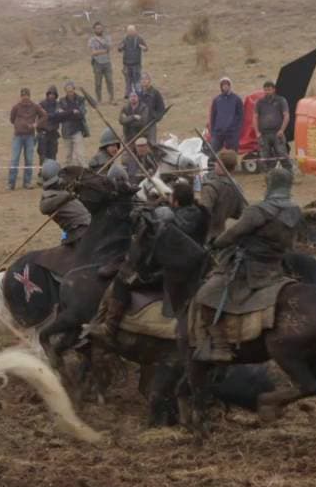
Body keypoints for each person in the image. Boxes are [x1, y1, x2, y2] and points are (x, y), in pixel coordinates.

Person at [192, 167, 301, 360]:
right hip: (276, 265)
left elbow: (233, 234)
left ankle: (220, 346)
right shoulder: (295, 210)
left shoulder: (259, 210)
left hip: (250, 267)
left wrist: (216, 243)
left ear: (270, 185)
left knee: (206, 294)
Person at [94, 180, 204, 342]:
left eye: (172, 197)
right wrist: (164, 203)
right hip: (187, 264)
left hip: (168, 269)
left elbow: (157, 231)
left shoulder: (170, 222)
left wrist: (155, 206)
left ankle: (109, 328)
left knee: (122, 280)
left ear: (177, 201)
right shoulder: (196, 213)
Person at [196, 149, 245, 242]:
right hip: (221, 234)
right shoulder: (237, 187)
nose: (214, 164)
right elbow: (240, 213)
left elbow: (203, 214)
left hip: (206, 236)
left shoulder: (210, 187)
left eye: (217, 162)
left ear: (220, 165)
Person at [39, 160, 90, 244]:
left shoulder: (64, 187)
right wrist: (67, 196)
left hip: (88, 224)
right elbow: (44, 208)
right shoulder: (48, 196)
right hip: (77, 231)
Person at [8, 88, 47, 190]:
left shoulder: (35, 106)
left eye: (26, 96)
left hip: (30, 136)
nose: (24, 98)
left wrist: (36, 124)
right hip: (18, 136)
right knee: (14, 160)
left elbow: (44, 116)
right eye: (23, 96)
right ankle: (11, 183)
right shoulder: (16, 107)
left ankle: (27, 182)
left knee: (29, 160)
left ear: (29, 96)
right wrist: (18, 125)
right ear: (20, 97)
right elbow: (12, 119)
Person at [255, 81, 290, 170]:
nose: (267, 92)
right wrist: (257, 132)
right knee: (265, 158)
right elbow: (254, 117)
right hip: (264, 134)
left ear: (274, 90)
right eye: (265, 90)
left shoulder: (281, 100)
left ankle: (289, 175)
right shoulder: (259, 102)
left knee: (282, 154)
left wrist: (282, 130)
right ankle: (270, 178)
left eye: (269, 90)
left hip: (277, 133)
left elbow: (286, 116)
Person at [57, 81, 89, 167]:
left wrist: (67, 113)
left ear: (74, 90)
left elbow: (82, 113)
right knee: (67, 156)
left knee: (81, 154)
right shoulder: (61, 101)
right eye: (68, 91)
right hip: (66, 131)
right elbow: (60, 115)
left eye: (71, 91)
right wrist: (72, 112)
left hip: (77, 130)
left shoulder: (80, 99)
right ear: (65, 91)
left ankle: (86, 172)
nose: (70, 93)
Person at [208, 77, 243, 153]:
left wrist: (237, 130)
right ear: (221, 87)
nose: (225, 86)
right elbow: (213, 116)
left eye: (227, 84)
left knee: (232, 153)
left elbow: (240, 116)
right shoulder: (217, 100)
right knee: (213, 153)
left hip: (232, 133)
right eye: (223, 85)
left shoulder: (236, 99)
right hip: (218, 132)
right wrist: (213, 131)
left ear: (230, 86)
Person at [117, 25, 149, 99]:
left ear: (135, 31)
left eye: (132, 31)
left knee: (137, 80)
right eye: (129, 31)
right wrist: (120, 47)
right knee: (128, 80)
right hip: (126, 64)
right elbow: (119, 49)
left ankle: (138, 94)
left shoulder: (139, 39)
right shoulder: (124, 39)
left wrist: (143, 47)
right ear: (127, 32)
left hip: (136, 64)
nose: (131, 33)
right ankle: (128, 95)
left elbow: (146, 48)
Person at [89, 22, 116, 104]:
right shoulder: (92, 40)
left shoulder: (107, 38)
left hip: (107, 62)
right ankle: (99, 100)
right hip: (97, 63)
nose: (99, 30)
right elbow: (93, 53)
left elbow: (109, 48)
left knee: (110, 81)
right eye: (97, 28)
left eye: (100, 28)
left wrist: (101, 50)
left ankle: (111, 98)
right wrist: (103, 51)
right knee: (98, 83)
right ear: (94, 29)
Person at [137, 73, 167, 144]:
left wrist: (156, 117)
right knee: (141, 144)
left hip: (151, 123)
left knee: (152, 143)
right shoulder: (138, 94)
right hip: (139, 124)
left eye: (146, 79)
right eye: (142, 79)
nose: (144, 81)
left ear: (149, 81)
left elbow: (161, 108)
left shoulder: (155, 93)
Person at [37, 86, 61, 165]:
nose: (51, 95)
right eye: (50, 94)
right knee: (42, 153)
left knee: (53, 154)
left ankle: (52, 172)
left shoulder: (58, 105)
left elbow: (57, 115)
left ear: (56, 95)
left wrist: (48, 115)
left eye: (53, 94)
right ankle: (42, 171)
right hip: (43, 132)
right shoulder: (42, 104)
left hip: (53, 133)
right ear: (47, 94)